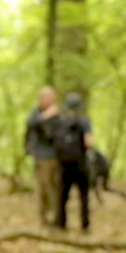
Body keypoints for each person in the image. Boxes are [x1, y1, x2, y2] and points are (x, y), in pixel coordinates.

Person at [49, 92, 94, 233]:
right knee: (84, 197)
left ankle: (60, 224)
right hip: (80, 164)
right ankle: (85, 226)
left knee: (62, 196)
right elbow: (89, 142)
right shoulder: (84, 121)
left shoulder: (58, 122)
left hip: (64, 165)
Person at [24, 86, 60, 226]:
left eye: (50, 97)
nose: (47, 100)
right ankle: (43, 218)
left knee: (55, 188)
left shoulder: (58, 113)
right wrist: (46, 116)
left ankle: (56, 218)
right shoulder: (36, 113)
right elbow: (31, 125)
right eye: (45, 97)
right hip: (41, 155)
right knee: (43, 187)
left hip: (56, 155)